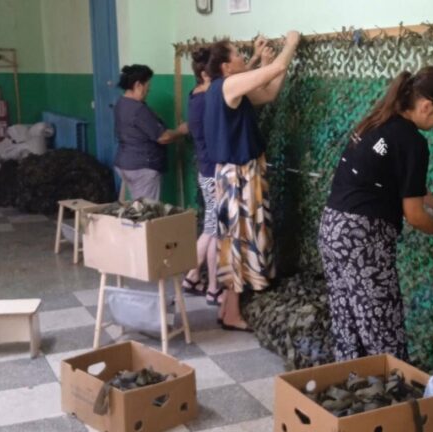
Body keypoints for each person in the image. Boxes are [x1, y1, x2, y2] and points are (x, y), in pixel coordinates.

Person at [318, 66, 433, 362]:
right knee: (382, 327)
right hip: (363, 238)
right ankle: (390, 389)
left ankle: (352, 383)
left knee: (348, 319)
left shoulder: (377, 122)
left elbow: (401, 183)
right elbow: (415, 215)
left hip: (333, 228)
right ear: (427, 106)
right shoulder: (412, 141)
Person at [203, 31, 300, 331]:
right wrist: (291, 44)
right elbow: (277, 69)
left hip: (238, 175)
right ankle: (232, 313)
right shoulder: (228, 85)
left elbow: (268, 93)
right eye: (237, 54)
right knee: (238, 243)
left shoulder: (226, 88)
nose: (243, 57)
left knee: (237, 241)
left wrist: (265, 62)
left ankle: (227, 308)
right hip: (238, 177)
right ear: (225, 66)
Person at [182, 47, 224, 307]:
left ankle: (194, 276)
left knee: (211, 227)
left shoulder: (196, 94)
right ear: (207, 74)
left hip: (205, 170)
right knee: (213, 231)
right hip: (213, 173)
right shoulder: (207, 99)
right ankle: (211, 288)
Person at [114, 64, 188, 201]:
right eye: (147, 86)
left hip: (125, 164)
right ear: (138, 85)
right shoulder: (138, 109)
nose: (148, 90)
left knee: (137, 206)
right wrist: (181, 131)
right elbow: (163, 137)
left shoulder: (121, 103)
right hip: (142, 167)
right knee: (147, 210)